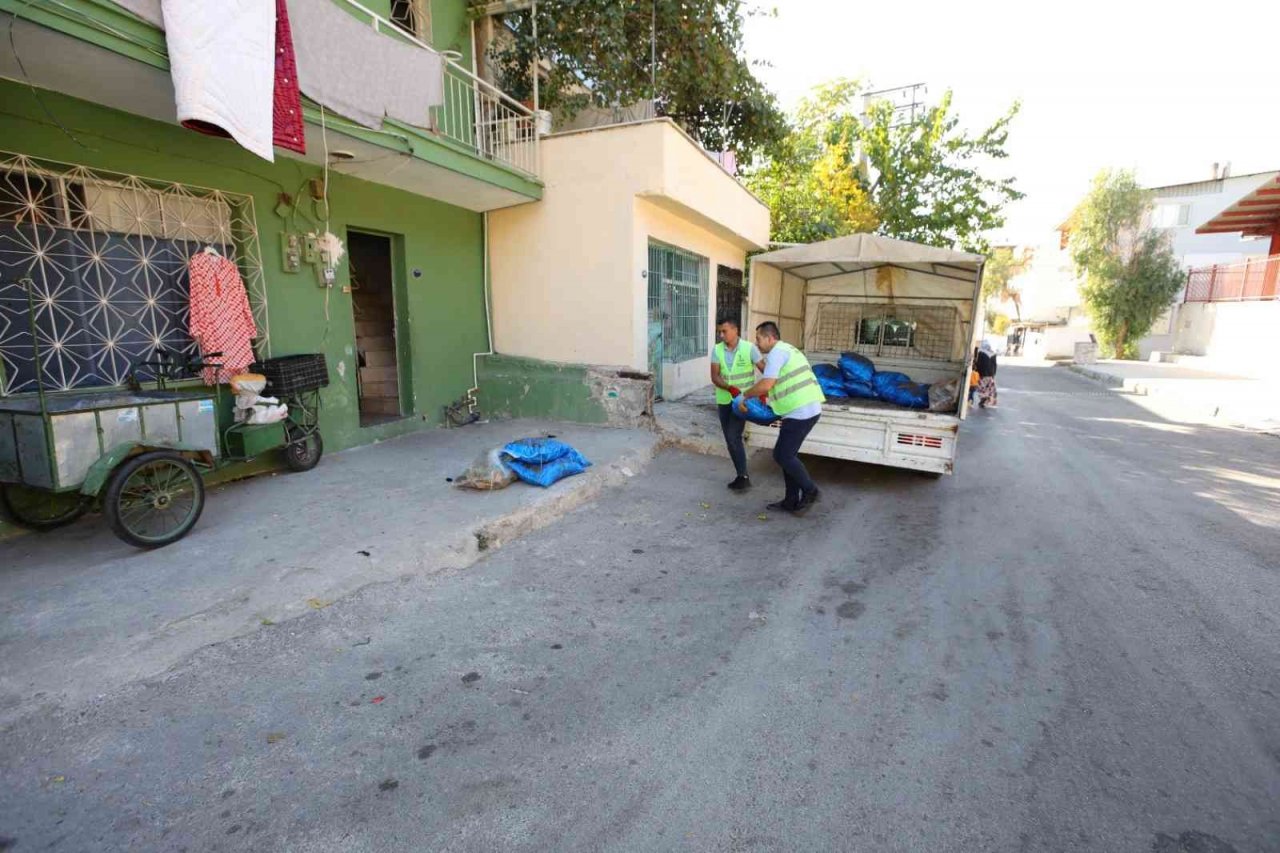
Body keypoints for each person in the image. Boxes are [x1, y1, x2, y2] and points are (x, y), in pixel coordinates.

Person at [737, 322, 825, 515]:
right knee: (787, 455)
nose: (757, 343)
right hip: (804, 408)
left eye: (759, 339)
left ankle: (810, 491)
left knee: (782, 455)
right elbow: (775, 382)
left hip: (801, 411)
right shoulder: (787, 349)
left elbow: (766, 384)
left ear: (770, 338)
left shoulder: (777, 353)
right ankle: (790, 500)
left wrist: (745, 395)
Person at [710, 317, 763, 491]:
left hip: (743, 402)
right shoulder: (717, 349)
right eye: (719, 332)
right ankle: (741, 475)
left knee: (733, 436)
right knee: (730, 439)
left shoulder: (749, 348)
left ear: (735, 330)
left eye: (724, 331)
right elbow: (715, 376)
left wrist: (764, 391)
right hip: (724, 401)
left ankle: (743, 477)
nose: (721, 335)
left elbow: (766, 370)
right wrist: (729, 388)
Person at [975, 340, 999, 408]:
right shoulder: (993, 354)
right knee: (988, 388)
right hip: (990, 374)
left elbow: (979, 363)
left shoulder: (981, 353)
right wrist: (993, 374)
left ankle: (983, 399)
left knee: (981, 388)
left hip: (982, 374)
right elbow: (995, 365)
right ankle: (986, 399)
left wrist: (976, 370)